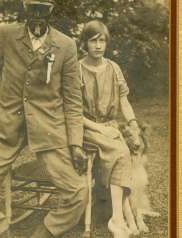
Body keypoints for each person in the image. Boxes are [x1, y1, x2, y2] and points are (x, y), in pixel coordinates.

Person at [0, 1, 89, 237]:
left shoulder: (65, 45)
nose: (37, 16)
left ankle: (43, 233)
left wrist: (75, 143)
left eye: (43, 10)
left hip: (48, 128)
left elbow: (73, 99)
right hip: (6, 125)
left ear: (51, 12)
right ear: (25, 10)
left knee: (78, 192)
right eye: (33, 9)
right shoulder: (6, 34)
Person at [79, 20, 141, 238]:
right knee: (121, 152)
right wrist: (99, 128)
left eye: (102, 40)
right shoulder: (77, 69)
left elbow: (124, 100)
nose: (98, 45)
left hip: (110, 127)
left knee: (122, 153)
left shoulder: (114, 68)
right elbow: (73, 111)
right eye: (93, 40)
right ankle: (119, 219)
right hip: (86, 128)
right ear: (84, 43)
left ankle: (121, 218)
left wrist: (132, 123)